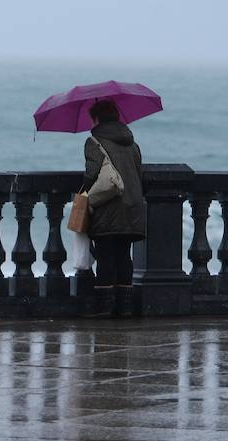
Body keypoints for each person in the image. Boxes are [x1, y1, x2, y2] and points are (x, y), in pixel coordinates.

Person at [82, 100, 145, 317]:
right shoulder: (132, 143)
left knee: (105, 255)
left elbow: (92, 175)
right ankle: (125, 307)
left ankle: (104, 307)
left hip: (108, 207)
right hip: (132, 206)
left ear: (97, 118)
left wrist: (84, 194)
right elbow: (139, 174)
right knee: (124, 256)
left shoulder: (94, 142)